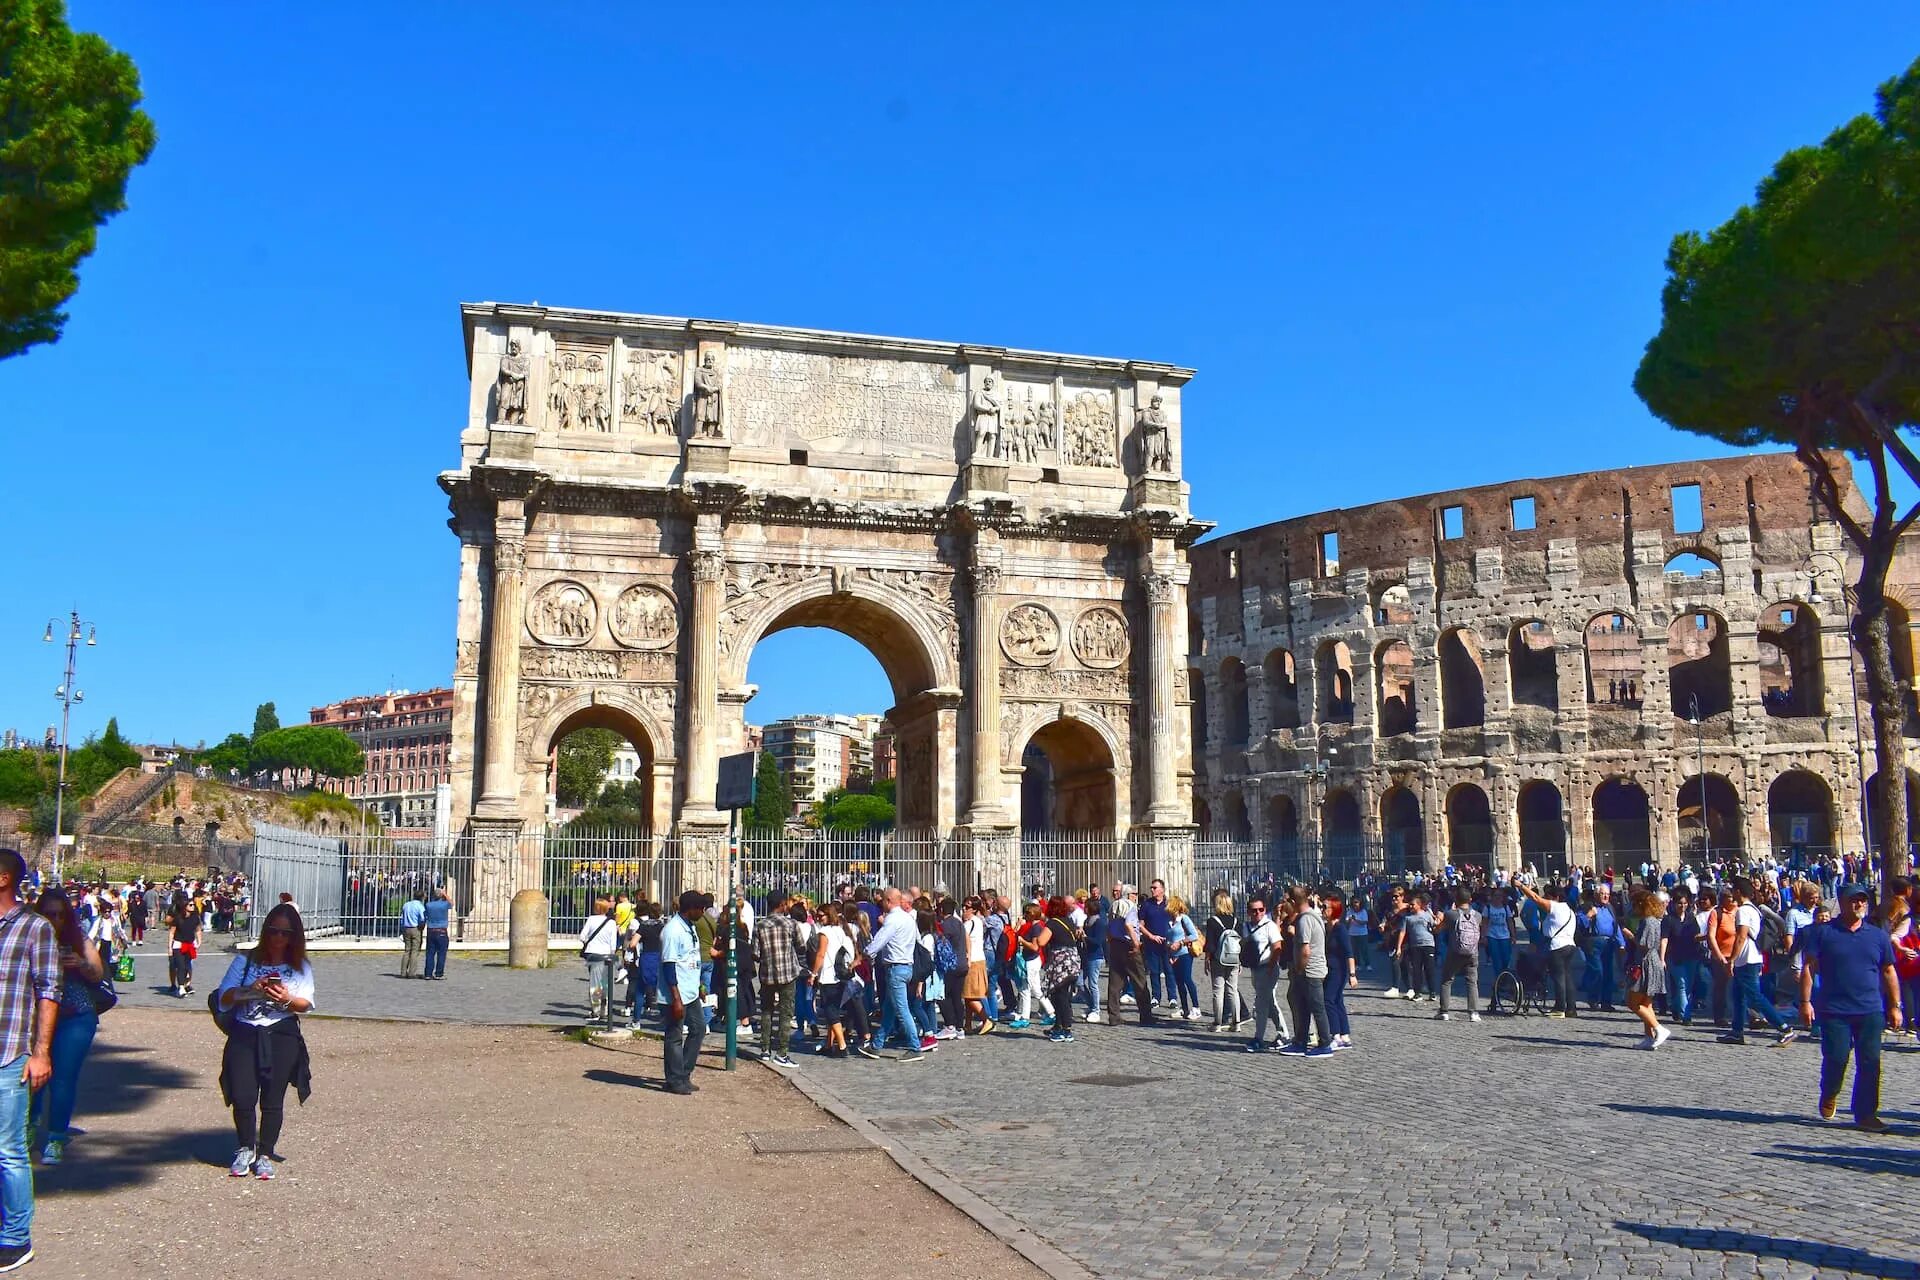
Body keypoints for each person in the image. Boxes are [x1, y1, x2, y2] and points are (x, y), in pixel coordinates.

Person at [214, 903, 315, 1180]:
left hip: (281, 1034)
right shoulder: (244, 961)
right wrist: (251, 990)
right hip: (246, 1033)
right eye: (273, 931)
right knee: (243, 1095)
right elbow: (223, 998)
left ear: (294, 936)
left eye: (285, 933)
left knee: (273, 1098)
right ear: (265, 931)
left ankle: (265, 1153)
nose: (278, 938)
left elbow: (306, 1003)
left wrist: (286, 999)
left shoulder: (301, 966)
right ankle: (245, 1147)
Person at [1800, 884, 1902, 1132]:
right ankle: (1830, 1091)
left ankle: (1866, 1113)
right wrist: (1805, 1002)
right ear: (1842, 903)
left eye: (1862, 901)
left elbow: (1889, 970)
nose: (1858, 905)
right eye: (1853, 901)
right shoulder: (1824, 933)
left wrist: (1896, 1006)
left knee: (1870, 1061)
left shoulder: (1877, 936)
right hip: (1835, 1009)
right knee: (1836, 1058)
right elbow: (1809, 968)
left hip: (1870, 1009)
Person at [0, 850, 58, 1272]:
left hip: (9, 1054)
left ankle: (16, 1239)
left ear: (3, 878)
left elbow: (48, 991)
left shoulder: (35, 928)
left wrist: (41, 1053)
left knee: (8, 1151)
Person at [28, 888, 104, 1167]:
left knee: (63, 1078)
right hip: (36, 1016)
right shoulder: (30, 936)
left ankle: (56, 1138)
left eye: (60, 914)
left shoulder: (78, 939)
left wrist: (81, 964)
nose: (55, 920)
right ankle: (28, 1129)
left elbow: (99, 973)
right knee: (31, 1077)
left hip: (76, 1016)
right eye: (49, 914)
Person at [1719, 878, 1797, 1048]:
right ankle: (1737, 1031)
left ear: (1738, 892)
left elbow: (1741, 937)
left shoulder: (1743, 911)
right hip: (1751, 958)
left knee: (1755, 996)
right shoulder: (1754, 909)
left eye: (1733, 891)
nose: (1732, 894)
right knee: (1738, 995)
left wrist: (1731, 959)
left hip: (1747, 959)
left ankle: (1784, 1028)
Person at [864, 888, 924, 1060]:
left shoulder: (892, 920)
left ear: (889, 901)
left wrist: (865, 954)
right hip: (906, 966)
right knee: (889, 1008)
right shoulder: (908, 918)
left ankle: (915, 1046)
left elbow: (880, 940)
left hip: (895, 968)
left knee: (902, 1009)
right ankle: (877, 1044)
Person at [660, 890, 707, 1094]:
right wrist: (676, 999)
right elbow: (669, 966)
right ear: (692, 909)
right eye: (701, 908)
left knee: (699, 1029)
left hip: (691, 991)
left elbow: (691, 959)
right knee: (674, 1036)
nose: (704, 912)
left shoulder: (691, 927)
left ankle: (684, 1073)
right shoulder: (673, 931)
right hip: (675, 994)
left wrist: (699, 986)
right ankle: (674, 1079)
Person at [1280, 887, 1334, 1056]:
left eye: (1288, 901)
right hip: (1312, 969)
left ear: (1295, 902)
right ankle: (1300, 1041)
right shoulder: (1314, 916)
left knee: (1317, 1008)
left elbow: (1305, 950)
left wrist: (1299, 969)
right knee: (1301, 1006)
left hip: (1309, 971)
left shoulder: (1304, 920)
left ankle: (1325, 1044)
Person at [1516, 879, 1580, 1018]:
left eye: (1548, 897)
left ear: (1555, 897)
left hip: (1557, 947)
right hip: (1570, 945)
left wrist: (1521, 886)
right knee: (1568, 977)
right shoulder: (1569, 910)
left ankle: (1559, 1008)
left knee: (1559, 978)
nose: (1545, 899)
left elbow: (1535, 898)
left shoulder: (1556, 907)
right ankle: (1571, 1008)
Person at [751, 894, 801, 1067]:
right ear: (782, 904)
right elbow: (800, 945)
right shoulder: (791, 924)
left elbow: (755, 954)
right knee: (786, 1013)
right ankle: (782, 1052)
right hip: (788, 972)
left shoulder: (760, 925)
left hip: (767, 973)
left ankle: (765, 1049)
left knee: (766, 1011)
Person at [1103, 887, 1157, 1027]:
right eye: (1134, 893)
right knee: (1140, 981)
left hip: (1115, 945)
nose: (1136, 896)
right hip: (1128, 945)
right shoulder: (1131, 906)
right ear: (1129, 895)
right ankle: (1146, 1016)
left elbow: (1108, 925)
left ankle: (1113, 1016)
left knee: (1114, 984)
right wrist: (1136, 944)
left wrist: (1110, 940)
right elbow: (1129, 925)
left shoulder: (1114, 905)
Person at [1625, 889, 1670, 1049]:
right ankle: (1649, 1037)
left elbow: (1644, 946)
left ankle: (1659, 1029)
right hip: (1653, 962)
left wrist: (1631, 936)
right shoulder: (1656, 920)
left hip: (1646, 963)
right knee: (1646, 1004)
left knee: (1633, 1003)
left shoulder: (1648, 921)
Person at [1244, 893, 1287, 1052]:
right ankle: (1283, 1033)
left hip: (1268, 969)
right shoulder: (1246, 927)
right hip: (1255, 969)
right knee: (1269, 1003)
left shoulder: (1270, 926)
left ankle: (1258, 1038)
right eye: (1254, 911)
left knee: (1261, 1004)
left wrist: (1270, 967)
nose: (1258, 913)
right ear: (1249, 912)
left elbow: (1277, 947)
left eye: (1261, 910)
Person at [1434, 888, 1482, 1022]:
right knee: (1472, 982)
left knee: (1447, 980)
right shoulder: (1477, 915)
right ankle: (1474, 1013)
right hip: (1473, 952)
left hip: (1455, 951)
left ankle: (1444, 1011)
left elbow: (1438, 929)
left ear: (1456, 899)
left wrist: (1438, 920)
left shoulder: (1451, 914)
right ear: (1470, 900)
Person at [1204, 890, 1242, 1032]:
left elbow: (1210, 943)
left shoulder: (1213, 921)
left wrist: (1207, 958)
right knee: (1233, 990)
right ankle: (1236, 1022)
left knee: (1218, 991)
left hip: (1218, 959)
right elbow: (1240, 942)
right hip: (1234, 958)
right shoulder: (1236, 921)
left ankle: (1218, 1023)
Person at [580, 898, 620, 1023]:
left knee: (595, 984)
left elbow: (582, 936)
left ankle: (596, 1010)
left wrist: (589, 943)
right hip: (606, 955)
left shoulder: (591, 919)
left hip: (594, 954)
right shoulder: (611, 922)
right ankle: (605, 1010)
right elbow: (613, 944)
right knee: (605, 984)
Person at [1166, 895, 1203, 1020]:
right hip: (1173, 955)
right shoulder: (1169, 921)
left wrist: (1180, 942)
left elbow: (1194, 935)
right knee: (1179, 982)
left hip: (1185, 953)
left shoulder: (1184, 919)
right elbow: (1168, 937)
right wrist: (1169, 947)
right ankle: (1184, 1008)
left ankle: (1196, 1008)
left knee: (1187, 979)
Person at [422, 886, 453, 981]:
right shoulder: (444, 905)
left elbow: (425, 915)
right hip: (441, 931)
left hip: (431, 930)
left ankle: (428, 973)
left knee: (430, 953)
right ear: (441, 896)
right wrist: (445, 894)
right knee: (441, 954)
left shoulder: (428, 905)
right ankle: (439, 973)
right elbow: (452, 903)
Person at [398, 888, 426, 979]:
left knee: (407, 950)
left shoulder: (406, 904)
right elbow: (422, 918)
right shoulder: (420, 906)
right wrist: (422, 926)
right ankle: (412, 972)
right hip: (415, 928)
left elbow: (401, 918)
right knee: (415, 951)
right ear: (422, 897)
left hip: (406, 928)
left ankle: (403, 972)